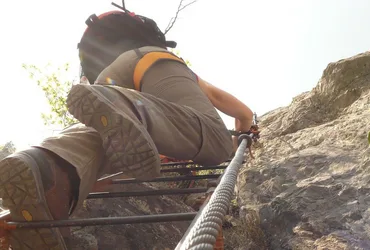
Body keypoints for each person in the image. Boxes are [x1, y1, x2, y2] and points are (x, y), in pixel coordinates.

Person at [0, 8, 254, 250]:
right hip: (152, 62)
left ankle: (46, 163)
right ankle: (125, 105)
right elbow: (238, 110)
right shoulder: (165, 60)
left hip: (108, 75)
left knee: (96, 137)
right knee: (216, 141)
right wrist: (243, 133)